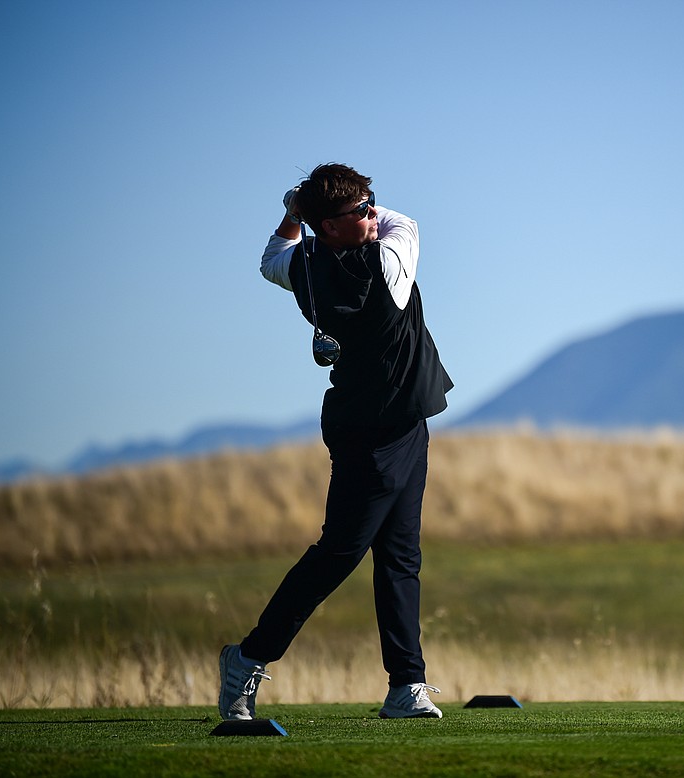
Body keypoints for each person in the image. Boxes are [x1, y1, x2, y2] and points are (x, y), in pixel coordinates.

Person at [218, 163, 453, 720]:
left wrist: (294, 212)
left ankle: (406, 686)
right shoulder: (388, 262)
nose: (373, 216)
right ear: (329, 225)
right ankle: (248, 656)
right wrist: (305, 205)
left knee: (401, 556)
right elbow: (407, 222)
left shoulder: (304, 264)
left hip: (396, 423)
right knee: (339, 554)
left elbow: (269, 258)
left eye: (372, 206)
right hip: (372, 434)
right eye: (360, 211)